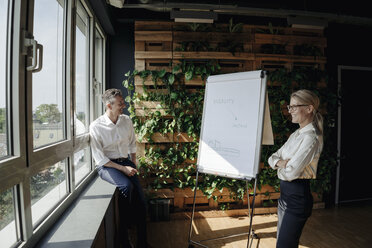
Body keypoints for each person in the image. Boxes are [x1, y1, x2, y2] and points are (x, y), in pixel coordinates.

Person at [90, 88, 149, 248]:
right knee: (126, 186)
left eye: (123, 102)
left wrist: (133, 163)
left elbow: (131, 144)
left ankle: (142, 243)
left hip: (126, 162)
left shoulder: (126, 121)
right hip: (107, 166)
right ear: (109, 105)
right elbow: (100, 158)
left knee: (142, 204)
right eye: (120, 104)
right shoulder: (96, 126)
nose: (124, 106)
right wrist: (123, 169)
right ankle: (124, 238)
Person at [268, 89, 324, 248]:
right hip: (285, 196)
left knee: (285, 245)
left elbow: (291, 172)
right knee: (282, 243)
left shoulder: (311, 137)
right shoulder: (296, 134)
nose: (289, 110)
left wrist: (280, 164)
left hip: (297, 198)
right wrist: (281, 163)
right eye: (289, 106)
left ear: (309, 108)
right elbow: (272, 157)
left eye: (294, 106)